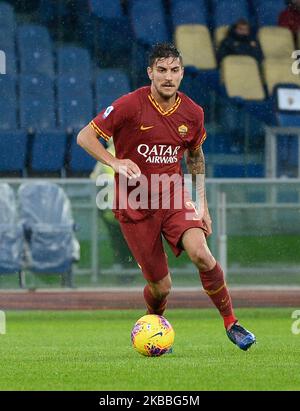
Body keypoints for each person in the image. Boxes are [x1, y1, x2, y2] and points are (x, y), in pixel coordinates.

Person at [77, 43, 256, 351]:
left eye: (174, 70)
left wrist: (202, 206)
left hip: (173, 197)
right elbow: (85, 136)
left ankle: (231, 322)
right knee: (161, 287)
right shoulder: (130, 105)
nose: (168, 77)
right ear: (150, 73)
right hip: (135, 205)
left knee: (202, 254)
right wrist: (115, 162)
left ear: (182, 74)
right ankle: (154, 321)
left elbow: (195, 157)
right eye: (161, 70)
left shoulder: (192, 112)